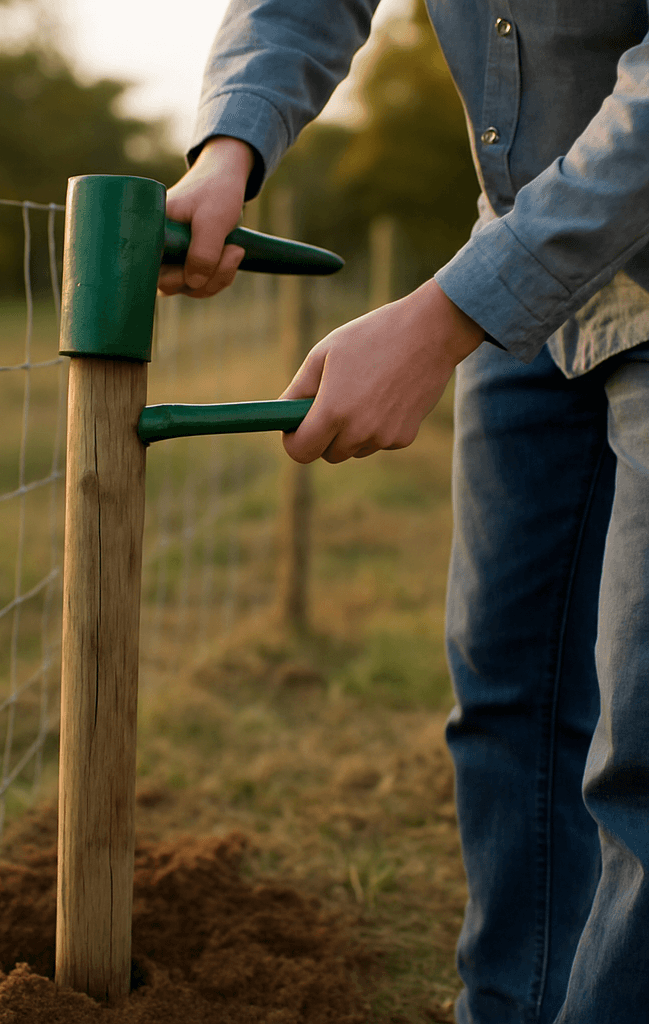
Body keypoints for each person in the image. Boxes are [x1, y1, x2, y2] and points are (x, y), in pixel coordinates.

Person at [157, 2, 649, 1021]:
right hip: (524, 250)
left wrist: (445, 319)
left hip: (599, 237)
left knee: (642, 751)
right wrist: (227, 150)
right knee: (510, 692)